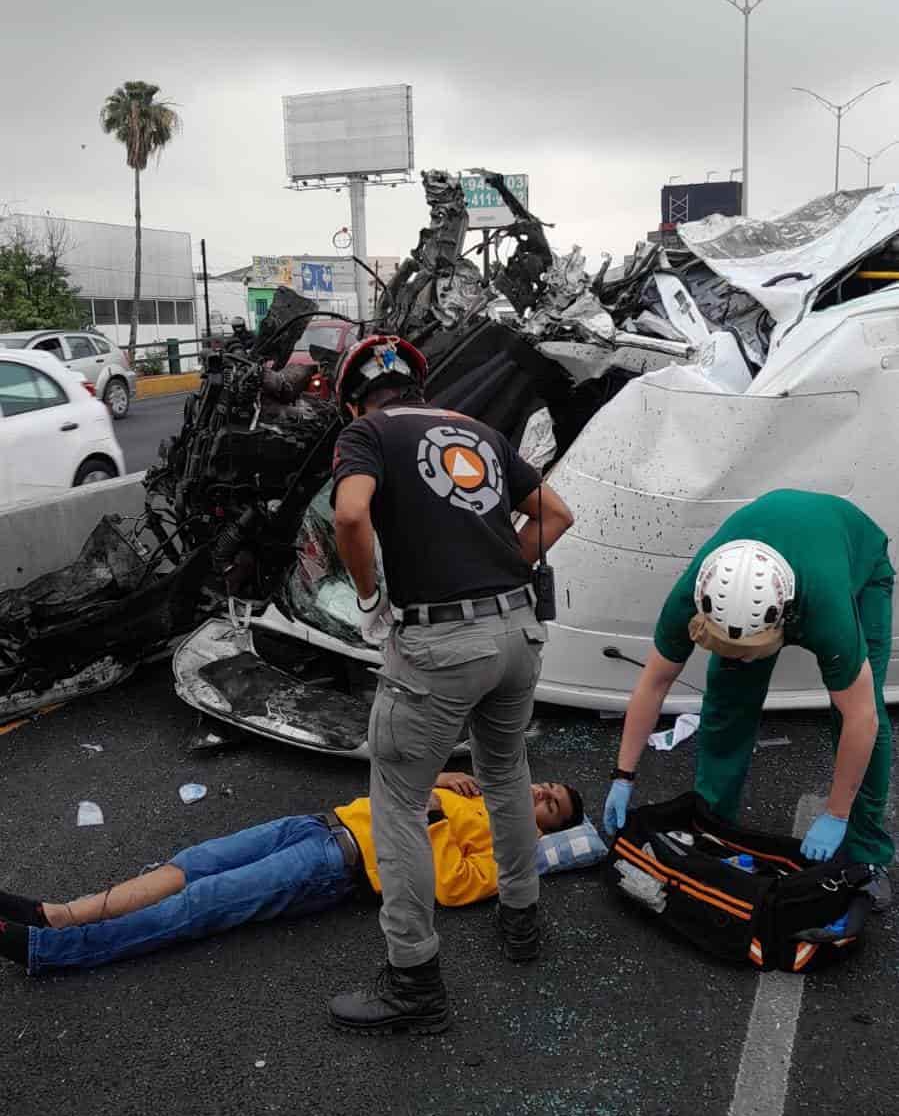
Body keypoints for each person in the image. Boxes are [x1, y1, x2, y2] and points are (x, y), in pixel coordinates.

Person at [329, 333, 575, 1034]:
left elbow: (350, 515)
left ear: (355, 396)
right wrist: (503, 566)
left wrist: (371, 596)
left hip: (440, 644)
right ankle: (521, 923)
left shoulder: (364, 433)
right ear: (420, 385)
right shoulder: (480, 433)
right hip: (519, 632)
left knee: (399, 803)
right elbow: (555, 514)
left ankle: (414, 980)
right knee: (504, 775)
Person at [0, 776, 585, 996]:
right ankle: (59, 914)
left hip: (338, 866)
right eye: (547, 787)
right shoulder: (478, 791)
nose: (540, 794)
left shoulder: (514, 853)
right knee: (189, 864)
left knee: (199, 905)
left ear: (549, 828)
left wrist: (432, 811)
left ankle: (47, 950)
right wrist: (438, 782)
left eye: (551, 806)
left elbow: (451, 887)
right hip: (319, 821)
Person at [602, 490, 893, 910]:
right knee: (726, 701)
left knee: (864, 718)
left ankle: (867, 853)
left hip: (859, 568)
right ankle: (713, 826)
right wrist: (622, 776)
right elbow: (654, 682)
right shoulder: (694, 591)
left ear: (783, 619)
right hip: (784, 570)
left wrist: (837, 814)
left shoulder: (826, 608)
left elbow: (860, 719)